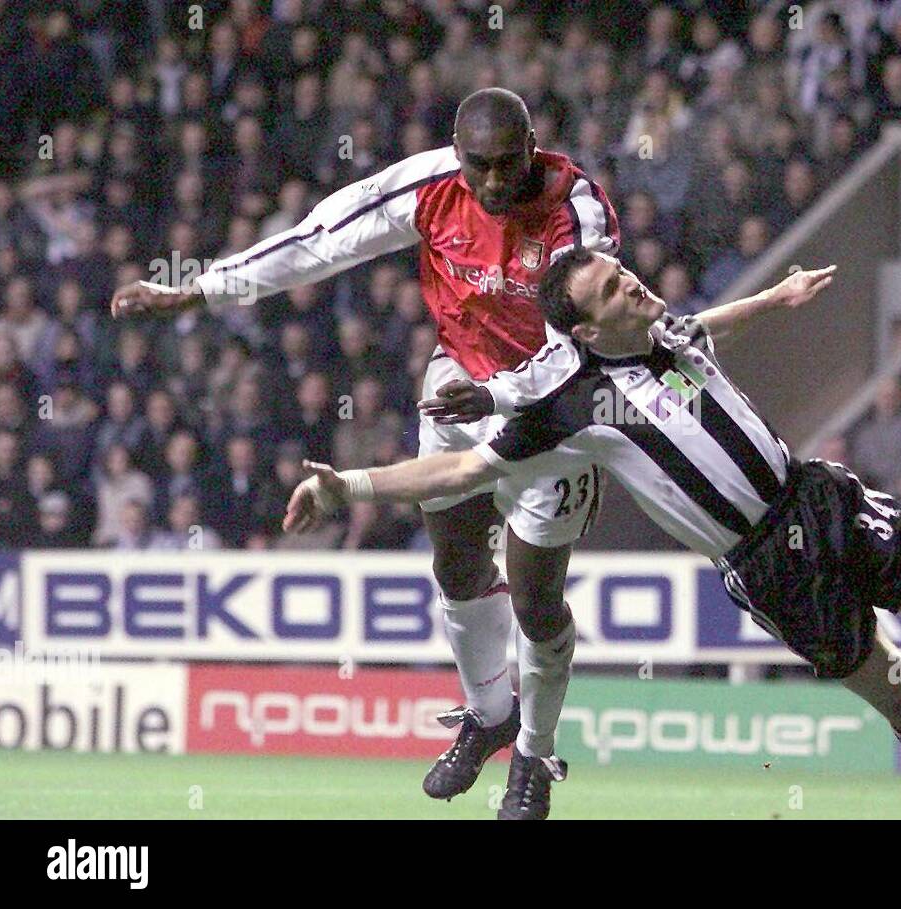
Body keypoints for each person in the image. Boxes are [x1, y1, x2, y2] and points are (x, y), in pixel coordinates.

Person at [285, 250, 901, 820]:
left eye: (627, 274)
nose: (638, 285)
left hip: (819, 498)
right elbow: (460, 470)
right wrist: (350, 486)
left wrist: (774, 300)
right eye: (617, 287)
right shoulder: (571, 403)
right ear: (586, 326)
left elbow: (708, 321)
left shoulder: (669, 330)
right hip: (768, 569)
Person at [108, 88, 621, 807]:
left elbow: (591, 342)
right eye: (481, 166)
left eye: (510, 164)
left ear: (533, 148)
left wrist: (507, 398)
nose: (496, 182)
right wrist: (197, 292)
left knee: (539, 602)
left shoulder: (578, 212)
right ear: (457, 152)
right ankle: (489, 714)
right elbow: (318, 241)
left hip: (549, 412)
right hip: (456, 389)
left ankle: (534, 755)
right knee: (456, 561)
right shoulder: (431, 187)